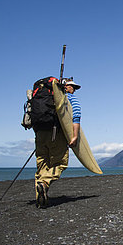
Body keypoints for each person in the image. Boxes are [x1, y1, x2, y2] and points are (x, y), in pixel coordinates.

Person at [34, 78, 81, 208]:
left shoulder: (45, 96)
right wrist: (75, 136)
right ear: (66, 86)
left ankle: (41, 199)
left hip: (40, 133)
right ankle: (44, 183)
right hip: (57, 133)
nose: (73, 90)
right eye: (73, 87)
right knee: (60, 163)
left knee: (42, 164)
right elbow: (76, 117)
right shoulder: (69, 98)